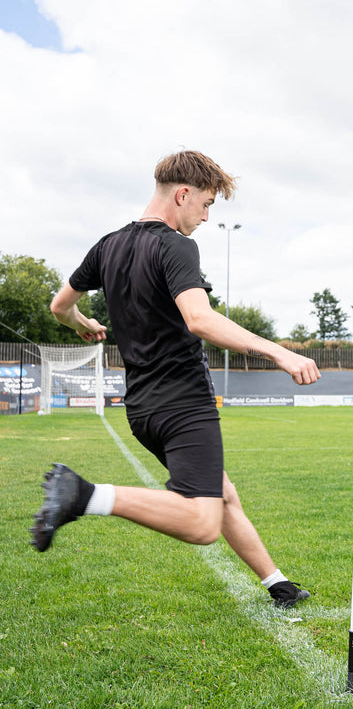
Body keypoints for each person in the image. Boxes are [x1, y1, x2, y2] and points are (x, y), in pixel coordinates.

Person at [31, 150, 321, 609]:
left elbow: (59, 306)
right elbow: (199, 318)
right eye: (206, 204)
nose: (206, 217)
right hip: (184, 402)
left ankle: (278, 586)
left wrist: (82, 323)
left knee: (223, 495)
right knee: (202, 522)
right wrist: (278, 351)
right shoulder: (176, 245)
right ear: (183, 194)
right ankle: (86, 495)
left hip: (142, 410)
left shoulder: (108, 245)